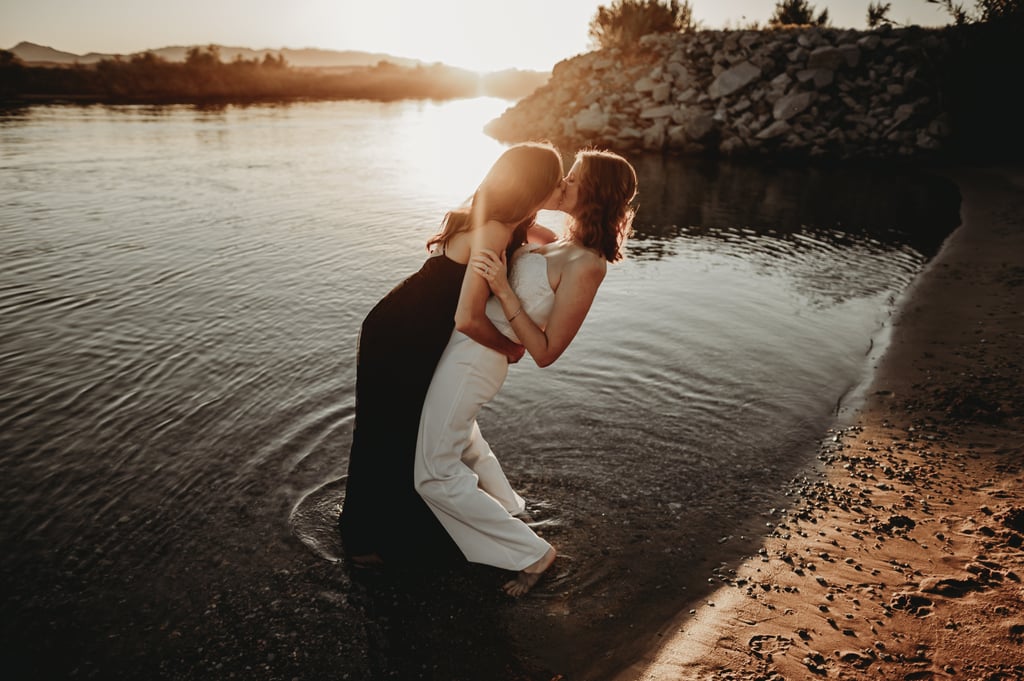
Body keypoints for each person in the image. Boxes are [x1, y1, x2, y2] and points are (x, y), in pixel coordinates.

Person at [414, 149, 638, 596]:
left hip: (476, 360)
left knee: (433, 472)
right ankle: (506, 508)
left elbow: (546, 350)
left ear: (592, 193)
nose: (561, 183)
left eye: (571, 179)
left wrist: (501, 288)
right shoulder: (551, 238)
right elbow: (499, 216)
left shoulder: (588, 265)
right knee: (466, 447)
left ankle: (531, 554)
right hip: (461, 347)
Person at [338, 142, 565, 567]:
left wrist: (540, 220)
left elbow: (546, 241)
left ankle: (407, 527)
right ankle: (367, 541)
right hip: (400, 335)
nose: (563, 186)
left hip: (405, 326)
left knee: (406, 430)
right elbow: (468, 319)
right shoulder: (494, 229)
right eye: (557, 180)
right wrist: (511, 348)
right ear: (536, 185)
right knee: (387, 432)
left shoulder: (501, 222)